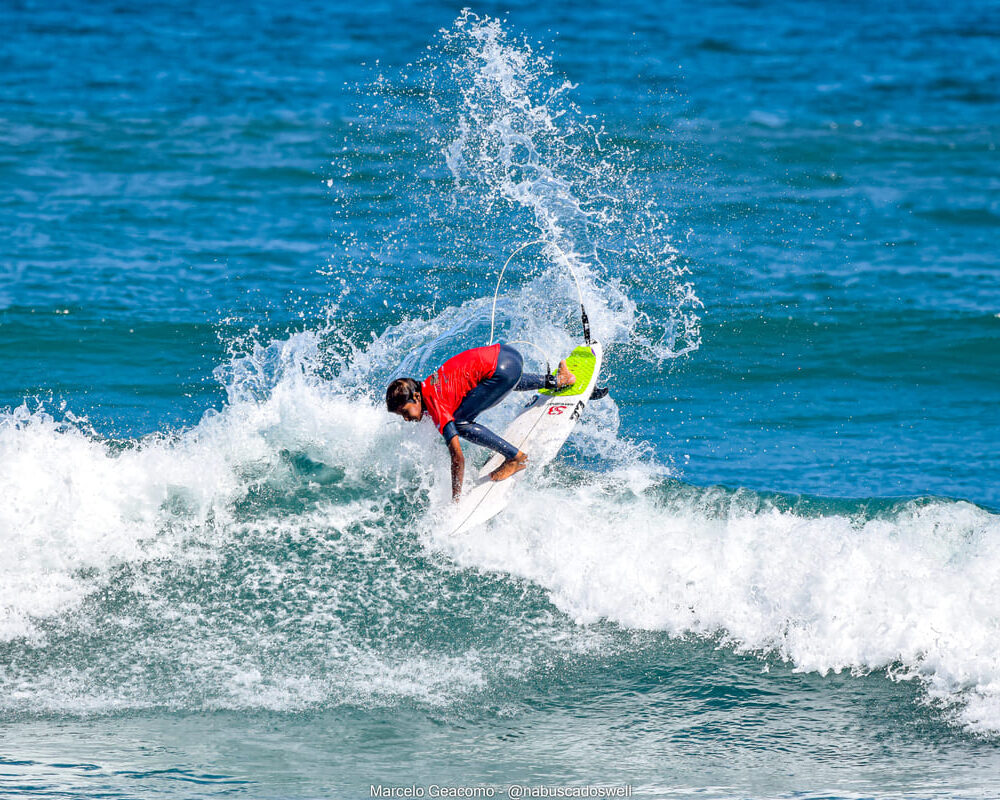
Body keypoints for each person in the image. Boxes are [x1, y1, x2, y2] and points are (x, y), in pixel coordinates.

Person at [386, 343, 575, 500]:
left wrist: (456, 497)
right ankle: (558, 380)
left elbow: (457, 457)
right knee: (494, 382)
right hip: (507, 355)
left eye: (405, 411)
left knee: (460, 423)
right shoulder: (431, 384)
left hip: (504, 372)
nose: (406, 418)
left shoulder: (436, 404)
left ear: (417, 397)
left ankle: (514, 457)